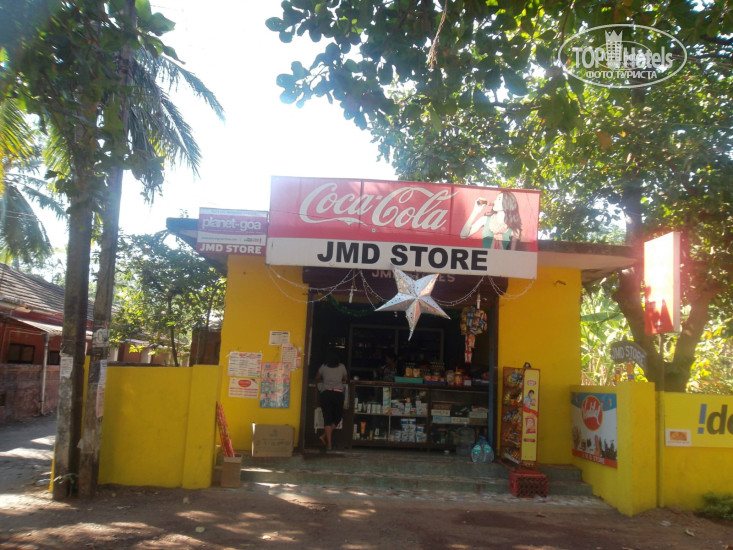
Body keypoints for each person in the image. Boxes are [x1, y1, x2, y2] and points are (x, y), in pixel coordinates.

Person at [315, 349, 348, 450]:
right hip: (337, 394)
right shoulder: (342, 367)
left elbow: (317, 377)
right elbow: (345, 379)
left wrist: (326, 378)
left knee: (327, 418)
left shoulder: (323, 367)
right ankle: (324, 437)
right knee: (338, 417)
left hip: (326, 394)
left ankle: (328, 443)